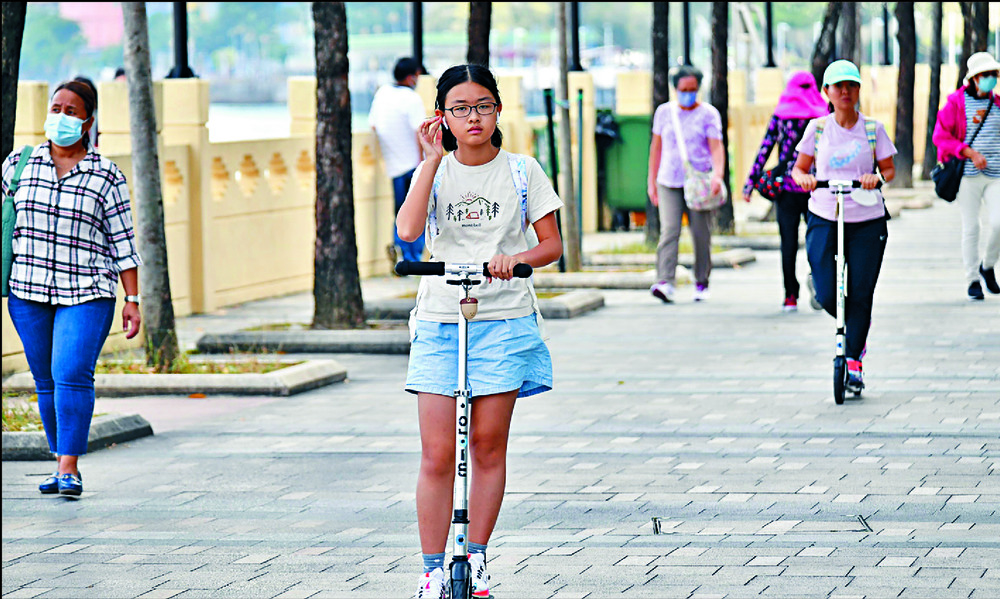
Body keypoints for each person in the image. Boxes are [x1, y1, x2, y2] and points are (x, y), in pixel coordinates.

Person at [395, 64, 563, 599]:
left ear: (497, 111)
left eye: (483, 106)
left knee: (489, 448)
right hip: (442, 320)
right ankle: (431, 568)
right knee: (437, 453)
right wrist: (427, 163)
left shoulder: (522, 170)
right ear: (442, 115)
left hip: (504, 320)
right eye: (461, 108)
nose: (474, 117)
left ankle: (477, 556)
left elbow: (551, 245)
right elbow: (407, 231)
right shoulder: (436, 170)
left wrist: (513, 259)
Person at [2, 79, 143, 497]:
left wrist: (132, 300)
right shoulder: (18, 164)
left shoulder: (106, 175)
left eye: (71, 111)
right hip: (28, 291)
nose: (61, 116)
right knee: (45, 380)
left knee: (70, 373)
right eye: (56, 108)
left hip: (87, 292)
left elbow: (124, 243)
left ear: (88, 121)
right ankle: (58, 458)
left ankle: (69, 468)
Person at [790, 60, 896, 395]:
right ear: (827, 93)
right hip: (824, 215)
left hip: (866, 220)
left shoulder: (872, 129)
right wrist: (805, 179)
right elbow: (799, 169)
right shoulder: (817, 129)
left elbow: (889, 170)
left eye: (851, 85)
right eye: (838, 87)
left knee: (861, 292)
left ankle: (853, 358)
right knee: (825, 292)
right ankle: (851, 330)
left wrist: (874, 178)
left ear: (858, 90)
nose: (845, 92)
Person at [743, 71, 829, 312]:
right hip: (816, 188)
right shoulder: (822, 117)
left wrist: (750, 184)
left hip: (788, 189)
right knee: (818, 241)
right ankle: (819, 281)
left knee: (788, 243)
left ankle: (790, 295)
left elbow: (765, 149)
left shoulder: (781, 115)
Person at [646, 65, 726, 303]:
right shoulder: (664, 112)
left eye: (693, 89)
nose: (688, 93)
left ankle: (701, 281)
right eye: (684, 89)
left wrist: (717, 175)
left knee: (701, 233)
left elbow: (716, 147)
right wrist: (651, 182)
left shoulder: (708, 114)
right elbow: (656, 148)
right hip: (668, 180)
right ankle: (665, 281)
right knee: (669, 230)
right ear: (675, 89)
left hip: (698, 182)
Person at [931, 51, 1000, 301]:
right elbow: (940, 137)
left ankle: (988, 265)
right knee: (972, 227)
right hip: (968, 176)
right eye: (985, 75)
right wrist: (968, 152)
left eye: (994, 74)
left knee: (998, 223)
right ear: (973, 78)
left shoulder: (998, 103)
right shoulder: (956, 104)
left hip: (996, 176)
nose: (990, 79)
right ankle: (972, 279)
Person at [369, 57, 428, 266]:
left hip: (393, 165)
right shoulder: (411, 98)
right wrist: (425, 162)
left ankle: (402, 254)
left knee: (401, 213)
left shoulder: (382, 94)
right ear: (412, 76)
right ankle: (414, 258)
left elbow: (374, 126)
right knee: (418, 212)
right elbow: (419, 132)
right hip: (412, 165)